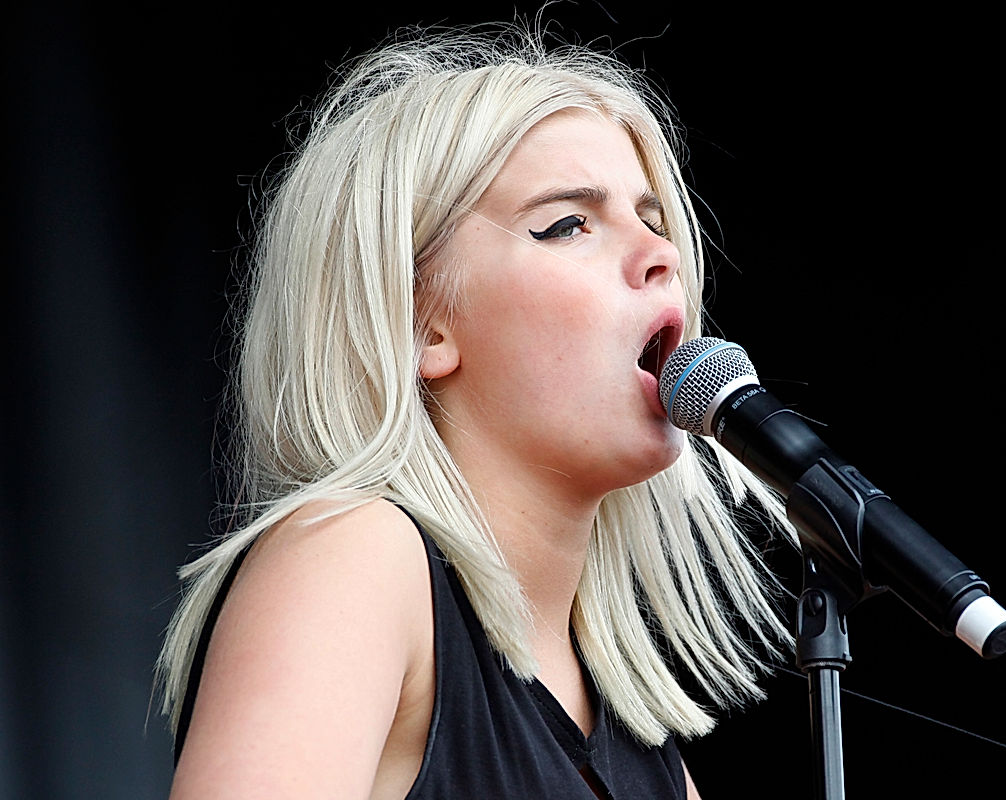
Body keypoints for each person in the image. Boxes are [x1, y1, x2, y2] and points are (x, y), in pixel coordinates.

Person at [155, 19, 796, 799]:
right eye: (569, 224)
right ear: (424, 322)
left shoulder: (643, 748)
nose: (662, 256)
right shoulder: (355, 555)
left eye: (655, 220)